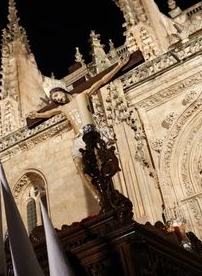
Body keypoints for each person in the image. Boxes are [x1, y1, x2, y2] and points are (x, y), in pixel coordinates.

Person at [28, 57, 129, 190]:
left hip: (93, 131)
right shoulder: (61, 109)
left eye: (57, 94)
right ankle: (97, 195)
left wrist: (119, 66)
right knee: (78, 165)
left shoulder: (83, 95)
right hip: (79, 138)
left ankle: (110, 185)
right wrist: (36, 115)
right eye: (55, 99)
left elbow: (101, 81)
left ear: (62, 90)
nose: (58, 98)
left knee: (105, 158)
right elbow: (47, 114)